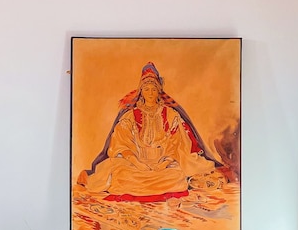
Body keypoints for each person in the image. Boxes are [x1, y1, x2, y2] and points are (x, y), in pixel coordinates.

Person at [77, 62, 227, 201]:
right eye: (146, 89)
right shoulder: (130, 116)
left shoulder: (171, 114)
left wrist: (164, 164)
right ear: (141, 92)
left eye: (154, 89)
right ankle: (142, 183)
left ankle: (151, 184)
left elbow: (177, 144)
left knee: (177, 176)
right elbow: (121, 143)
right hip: (135, 165)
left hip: (163, 165)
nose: (150, 93)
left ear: (159, 91)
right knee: (120, 176)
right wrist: (137, 163)